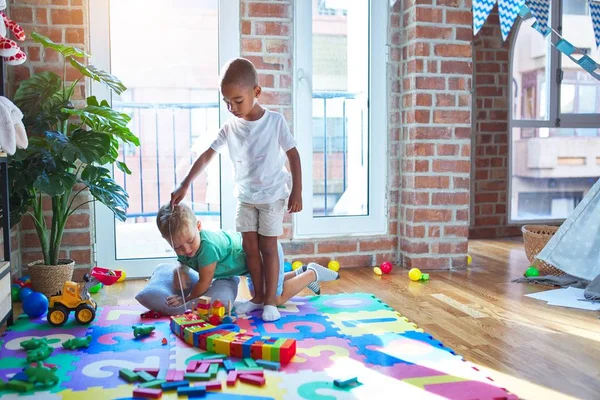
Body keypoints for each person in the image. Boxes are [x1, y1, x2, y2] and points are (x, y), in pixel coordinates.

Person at [171, 58, 304, 321]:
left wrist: (296, 191)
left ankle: (270, 302)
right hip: (246, 197)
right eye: (227, 102)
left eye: (237, 101)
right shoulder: (230, 127)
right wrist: (185, 183)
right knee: (249, 247)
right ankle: (256, 298)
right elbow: (207, 155)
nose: (232, 108)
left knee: (268, 246)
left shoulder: (275, 122)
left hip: (272, 196)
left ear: (256, 92)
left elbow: (293, 155)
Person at [156, 203, 339, 320]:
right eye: (178, 247)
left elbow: (204, 283)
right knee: (257, 293)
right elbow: (183, 265)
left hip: (264, 255)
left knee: (274, 298)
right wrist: (179, 272)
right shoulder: (184, 248)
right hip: (252, 268)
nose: (186, 250)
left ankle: (311, 273)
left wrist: (185, 299)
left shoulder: (207, 248)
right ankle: (299, 273)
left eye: (190, 242)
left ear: (199, 227)